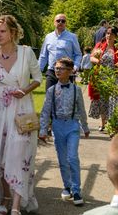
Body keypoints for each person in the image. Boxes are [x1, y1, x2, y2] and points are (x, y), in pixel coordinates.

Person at [0, 15, 41, 215]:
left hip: (22, 110)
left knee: (19, 155)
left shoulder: (26, 53)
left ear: (13, 32)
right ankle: (5, 198)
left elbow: (38, 78)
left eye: (3, 31)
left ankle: (16, 209)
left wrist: (23, 90)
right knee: (2, 155)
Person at [38, 57, 90, 205]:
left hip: (73, 126)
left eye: (61, 68)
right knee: (62, 159)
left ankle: (77, 190)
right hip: (57, 126)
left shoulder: (76, 90)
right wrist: (43, 129)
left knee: (72, 157)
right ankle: (67, 186)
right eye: (56, 68)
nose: (57, 70)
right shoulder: (51, 90)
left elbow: (81, 110)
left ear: (70, 71)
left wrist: (85, 127)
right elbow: (45, 111)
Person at [39, 14, 82, 90]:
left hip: (66, 72)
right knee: (49, 97)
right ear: (54, 23)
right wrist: (38, 70)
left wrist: (75, 67)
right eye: (58, 21)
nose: (60, 22)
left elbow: (78, 54)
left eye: (63, 21)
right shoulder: (48, 37)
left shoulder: (72, 37)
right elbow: (43, 56)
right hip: (52, 71)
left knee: (66, 99)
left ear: (66, 23)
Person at [88, 26, 118, 132]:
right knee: (102, 101)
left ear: (115, 36)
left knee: (113, 101)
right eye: (107, 33)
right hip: (100, 77)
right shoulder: (100, 46)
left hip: (113, 78)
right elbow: (91, 57)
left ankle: (112, 124)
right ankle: (103, 124)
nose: (109, 36)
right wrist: (97, 61)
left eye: (111, 34)